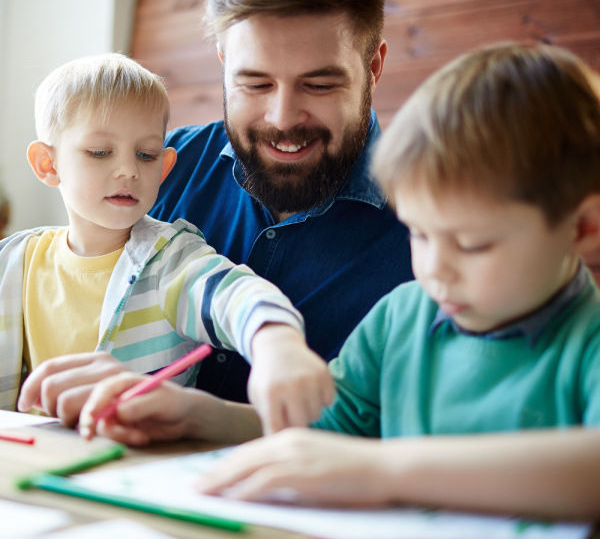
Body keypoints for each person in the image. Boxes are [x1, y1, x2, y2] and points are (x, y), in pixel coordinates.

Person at [80, 43, 600, 519]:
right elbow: (325, 432)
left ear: (582, 227)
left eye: (471, 244)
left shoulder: (586, 338)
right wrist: (198, 417)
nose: (435, 269)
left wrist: (382, 469)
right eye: (419, 234)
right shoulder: (404, 315)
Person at [17, 0, 413, 422]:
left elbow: (412, 435)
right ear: (224, 65)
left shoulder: (433, 223)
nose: (282, 117)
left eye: (319, 84)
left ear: (373, 68)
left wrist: (204, 419)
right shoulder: (158, 169)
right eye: (256, 83)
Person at [3, 53, 333, 433]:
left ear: (164, 168)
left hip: (133, 468)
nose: (128, 169)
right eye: (100, 152)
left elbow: (236, 296)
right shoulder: (13, 262)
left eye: (145, 155)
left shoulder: (170, 259)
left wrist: (277, 342)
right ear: (48, 164)